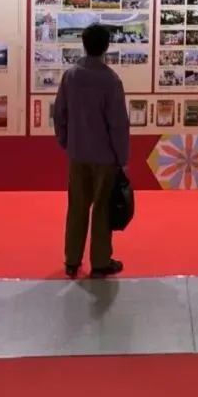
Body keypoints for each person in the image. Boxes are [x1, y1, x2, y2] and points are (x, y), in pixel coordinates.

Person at [53, 23, 130, 279]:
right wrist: (122, 158)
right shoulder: (110, 80)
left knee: (77, 206)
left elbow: (60, 113)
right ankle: (100, 262)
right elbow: (118, 124)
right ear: (106, 46)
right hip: (105, 157)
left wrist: (66, 142)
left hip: (78, 153)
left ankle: (72, 260)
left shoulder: (71, 76)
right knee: (102, 210)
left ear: (83, 44)